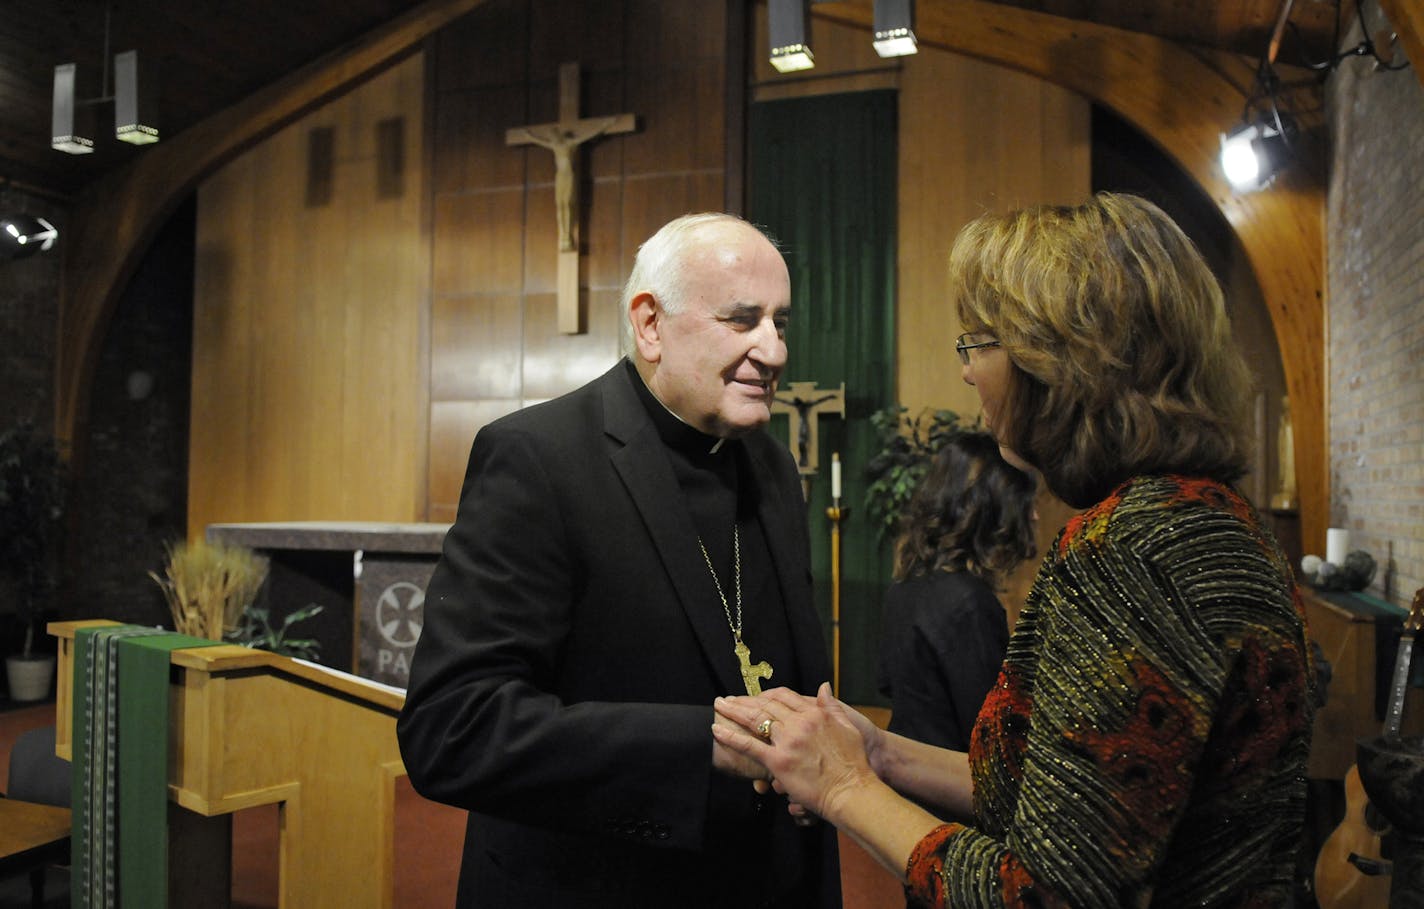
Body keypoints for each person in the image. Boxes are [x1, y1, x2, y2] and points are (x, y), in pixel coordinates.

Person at [713, 193, 1316, 907]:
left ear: (1061, 355)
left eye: (979, 342)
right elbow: (1071, 798)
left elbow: (1042, 893)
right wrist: (881, 751)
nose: (968, 371)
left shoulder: (1135, 549)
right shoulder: (1202, 513)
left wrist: (842, 785)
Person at [398, 212, 840, 908]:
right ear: (650, 324)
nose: (774, 349)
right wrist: (703, 746)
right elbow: (454, 727)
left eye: (780, 322)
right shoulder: (538, 459)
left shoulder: (773, 465)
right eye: (742, 319)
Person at [878, 430, 1038, 751]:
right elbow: (991, 729)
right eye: (1024, 503)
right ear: (991, 510)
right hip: (947, 782)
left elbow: (885, 684)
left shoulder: (904, 586)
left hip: (905, 769)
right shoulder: (970, 604)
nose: (1033, 514)